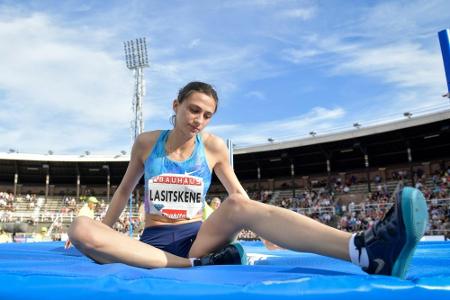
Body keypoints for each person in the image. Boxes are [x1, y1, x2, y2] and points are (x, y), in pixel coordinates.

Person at [68, 81, 428, 278]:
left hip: (198, 238)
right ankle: (192, 268)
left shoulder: (214, 148)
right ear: (176, 105)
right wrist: (104, 229)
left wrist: (271, 233)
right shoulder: (147, 142)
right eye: (193, 109)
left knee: (237, 203)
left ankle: (363, 250)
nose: (199, 119)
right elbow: (124, 191)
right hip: (152, 241)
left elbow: (241, 199)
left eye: (207, 115)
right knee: (81, 228)